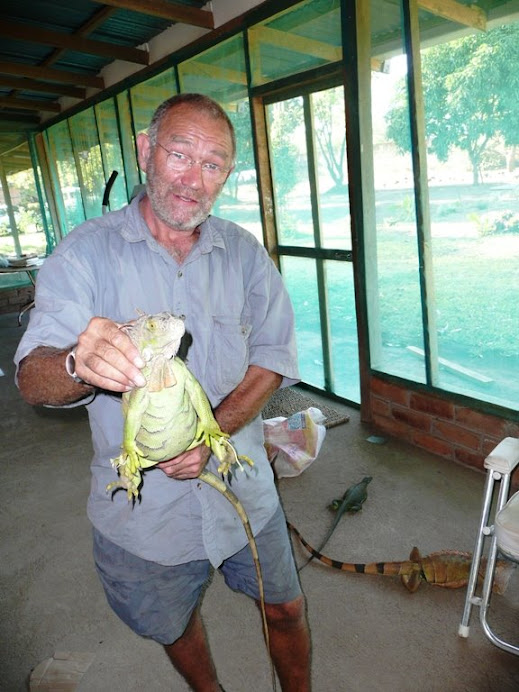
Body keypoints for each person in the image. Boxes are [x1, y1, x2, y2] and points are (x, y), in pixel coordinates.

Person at [15, 93, 311, 691]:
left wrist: (214, 433)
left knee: (286, 608)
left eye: (213, 164)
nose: (192, 179)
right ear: (147, 151)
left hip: (243, 486)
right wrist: (76, 360)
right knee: (173, 628)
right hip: (143, 513)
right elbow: (31, 377)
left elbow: (273, 358)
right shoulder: (84, 255)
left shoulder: (244, 253)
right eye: (179, 153)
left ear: (226, 174)